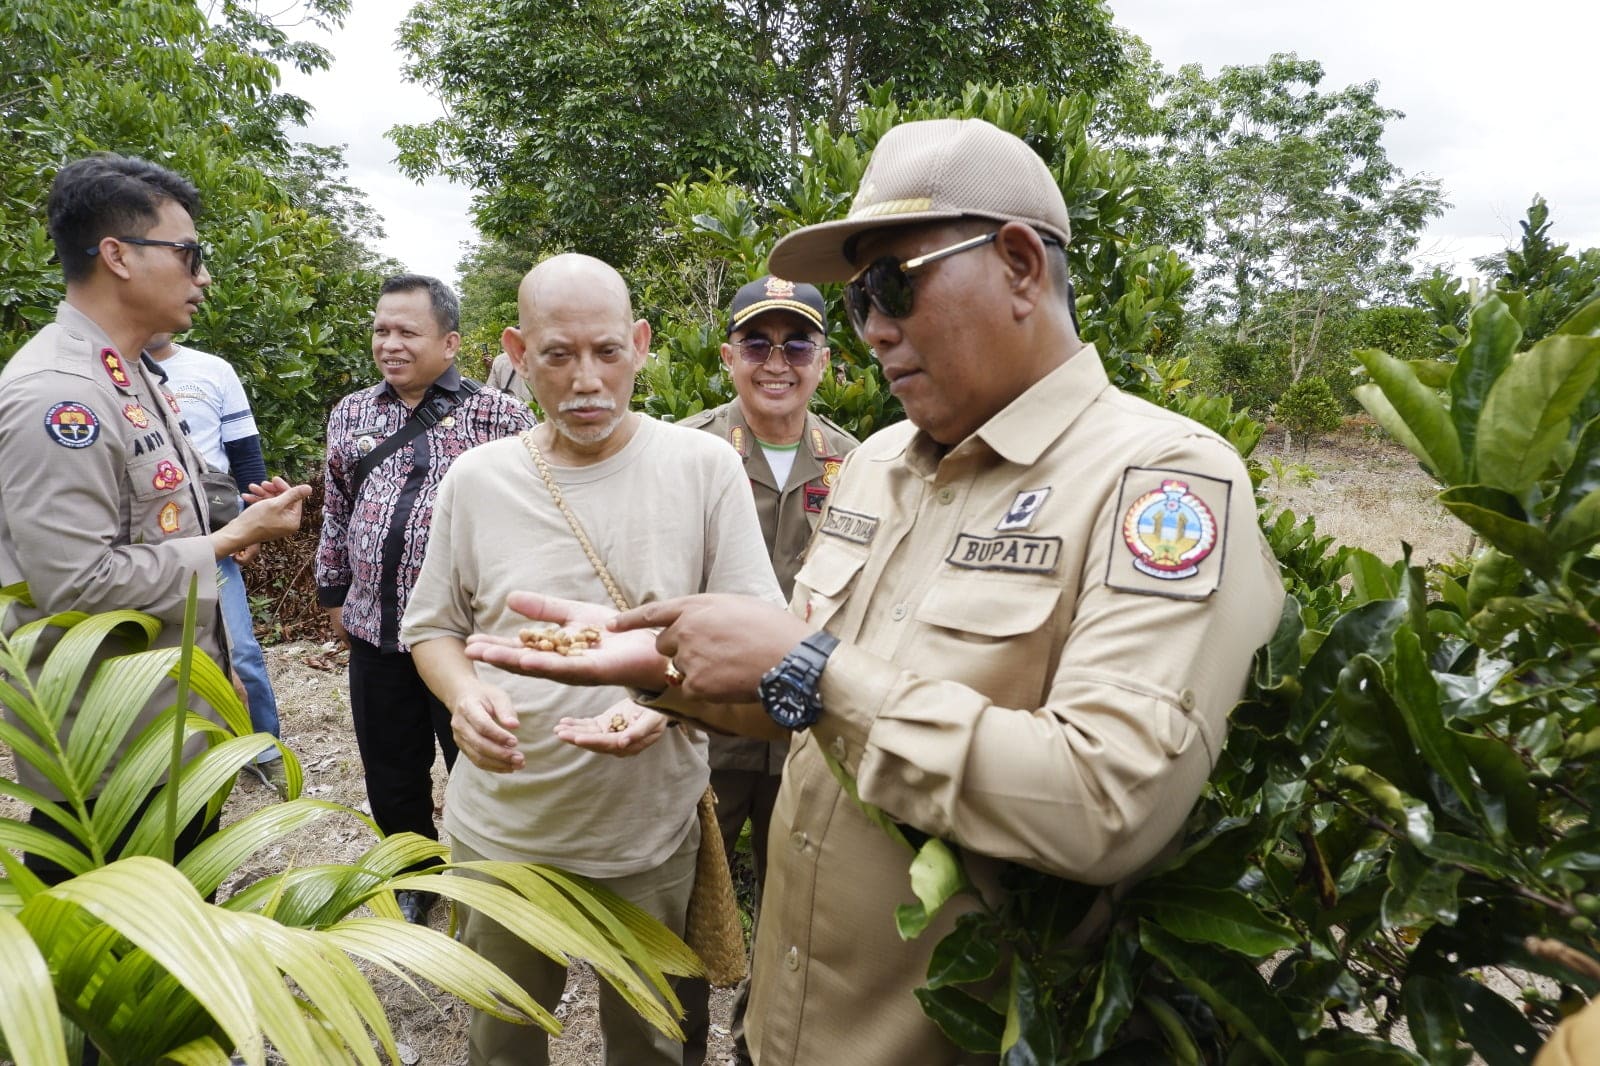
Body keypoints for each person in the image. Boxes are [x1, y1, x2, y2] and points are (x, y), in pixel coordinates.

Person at [467, 118, 1286, 1065]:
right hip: (787, 1028)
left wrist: (811, 672)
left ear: (1021, 266)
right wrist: (659, 666)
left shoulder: (1163, 482)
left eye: (894, 285)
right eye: (859, 301)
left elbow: (1107, 799)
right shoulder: (881, 463)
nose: (874, 330)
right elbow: (794, 697)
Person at [402, 253, 783, 1066]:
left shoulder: (705, 469)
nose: (586, 382)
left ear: (640, 344)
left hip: (647, 830)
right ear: (516, 353)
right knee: (501, 1041)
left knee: (655, 1044)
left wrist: (661, 702)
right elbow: (432, 627)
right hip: (502, 828)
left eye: (608, 352)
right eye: (557, 355)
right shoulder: (477, 479)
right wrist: (464, 698)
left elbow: (755, 637)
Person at [0, 154, 311, 885]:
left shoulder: (129, 371)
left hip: (170, 725)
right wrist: (230, 540)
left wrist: (217, 672)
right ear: (118, 256)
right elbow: (76, 581)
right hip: (110, 755)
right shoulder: (60, 397)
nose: (203, 278)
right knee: (122, 944)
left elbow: (163, 511)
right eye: (189, 254)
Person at [315, 273, 536, 925]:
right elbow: (337, 508)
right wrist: (335, 592)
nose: (390, 344)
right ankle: (416, 877)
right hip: (376, 628)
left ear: (450, 343)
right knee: (391, 768)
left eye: (407, 332)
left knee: (476, 758)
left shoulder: (499, 416)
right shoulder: (351, 412)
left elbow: (531, 518)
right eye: (381, 330)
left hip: (466, 637)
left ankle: (487, 878)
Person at [676, 275, 859, 1063]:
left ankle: (767, 1045)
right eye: (757, 343)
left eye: (796, 345)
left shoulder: (861, 466)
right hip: (705, 723)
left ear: (825, 360)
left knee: (800, 913)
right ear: (728, 357)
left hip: (810, 733)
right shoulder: (684, 452)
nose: (776, 362)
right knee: (686, 909)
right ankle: (678, 1046)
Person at [146, 331, 287, 794]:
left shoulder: (213, 370)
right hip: (144, 539)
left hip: (212, 534)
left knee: (239, 649)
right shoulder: (109, 371)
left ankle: (263, 750)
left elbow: (245, 454)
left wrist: (250, 524)